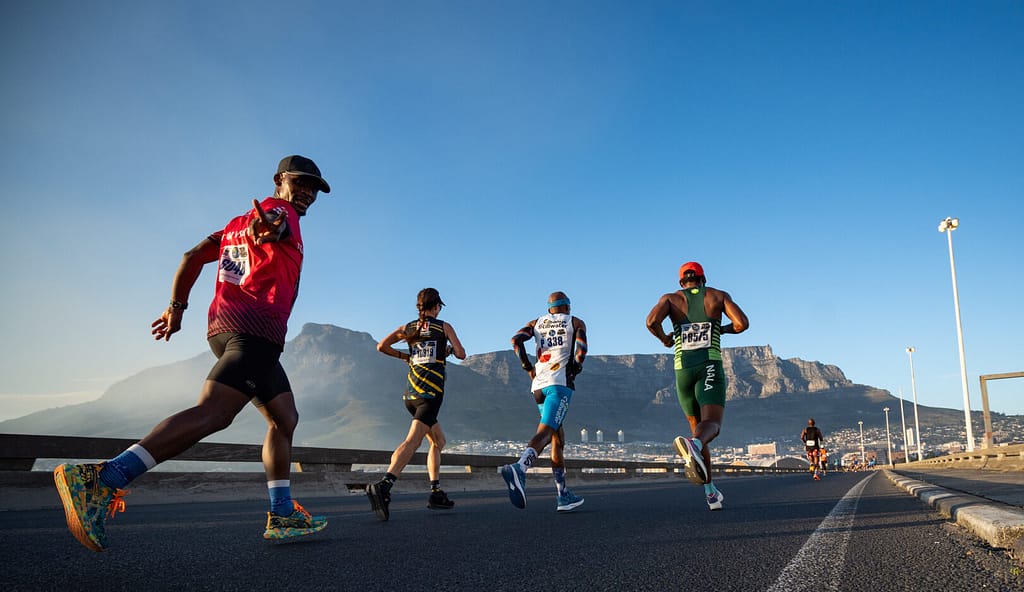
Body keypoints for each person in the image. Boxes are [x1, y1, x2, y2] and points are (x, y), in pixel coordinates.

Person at [53, 155, 332, 551]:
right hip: (256, 332)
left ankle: (282, 512)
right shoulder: (278, 211)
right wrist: (269, 228)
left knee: (284, 417)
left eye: (314, 189)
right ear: (278, 181)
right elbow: (270, 224)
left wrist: (175, 308)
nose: (306, 193)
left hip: (228, 330)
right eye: (299, 183)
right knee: (215, 412)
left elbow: (191, 257)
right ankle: (103, 479)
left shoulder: (233, 227)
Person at [645, 261, 749, 511]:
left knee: (698, 433)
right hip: (709, 366)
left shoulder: (670, 299)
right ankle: (695, 449)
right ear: (702, 279)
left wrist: (665, 339)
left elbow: (650, 322)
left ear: (682, 282)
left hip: (682, 371)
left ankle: (710, 492)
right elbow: (742, 324)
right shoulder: (718, 296)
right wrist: (721, 329)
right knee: (712, 426)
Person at [367, 288, 466, 521]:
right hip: (430, 395)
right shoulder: (443, 327)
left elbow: (381, 346)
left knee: (439, 441)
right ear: (436, 306)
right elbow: (461, 353)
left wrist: (407, 357)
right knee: (412, 442)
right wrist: (449, 350)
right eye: (440, 306)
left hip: (411, 396)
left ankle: (435, 492)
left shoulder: (408, 328)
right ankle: (384, 485)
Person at [500, 291, 588, 512]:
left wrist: (528, 367)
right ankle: (520, 468)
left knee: (558, 437)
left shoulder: (536, 323)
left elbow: (516, 341)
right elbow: (581, 349)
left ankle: (563, 495)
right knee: (547, 432)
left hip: (538, 385)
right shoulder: (575, 321)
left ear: (550, 308)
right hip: (560, 384)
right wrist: (576, 368)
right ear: (567, 307)